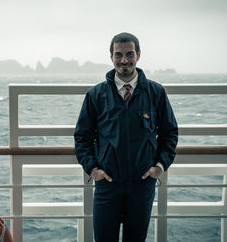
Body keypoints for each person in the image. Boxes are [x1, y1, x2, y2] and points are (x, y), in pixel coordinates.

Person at [74, 32, 178, 242]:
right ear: (111, 57)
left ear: (138, 55)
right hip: (107, 184)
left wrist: (159, 166)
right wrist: (93, 169)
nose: (124, 60)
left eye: (130, 54)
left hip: (143, 184)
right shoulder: (96, 95)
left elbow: (169, 133)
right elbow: (82, 137)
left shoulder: (156, 92)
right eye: (118, 54)